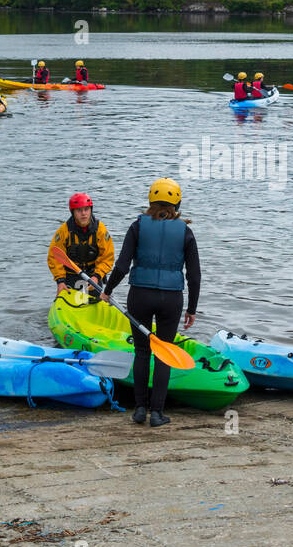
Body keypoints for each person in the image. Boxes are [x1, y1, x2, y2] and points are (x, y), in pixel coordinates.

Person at [103, 178, 200, 428]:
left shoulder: (138, 226)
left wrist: (108, 289)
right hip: (171, 299)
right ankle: (157, 413)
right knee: (164, 354)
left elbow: (122, 265)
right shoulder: (185, 231)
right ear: (177, 203)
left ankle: (139, 409)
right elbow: (194, 275)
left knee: (143, 352)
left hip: (140, 296)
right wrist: (192, 308)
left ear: (150, 201)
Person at [47, 192, 115, 297]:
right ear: (73, 212)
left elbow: (107, 257)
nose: (83, 213)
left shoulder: (100, 230)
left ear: (91, 210)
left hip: (93, 278)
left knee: (94, 303)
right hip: (71, 278)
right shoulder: (64, 231)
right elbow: (54, 257)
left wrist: (97, 276)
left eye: (86, 209)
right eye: (79, 210)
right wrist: (60, 281)